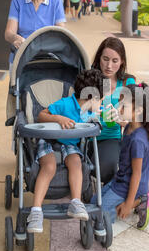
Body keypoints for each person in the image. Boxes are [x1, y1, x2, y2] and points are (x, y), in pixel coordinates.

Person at [26, 69, 107, 233]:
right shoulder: (65, 104)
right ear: (91, 98)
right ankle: (35, 211)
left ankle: (75, 202)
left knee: (76, 162)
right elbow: (42, 115)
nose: (102, 103)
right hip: (48, 140)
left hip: (69, 144)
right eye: (101, 99)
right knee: (49, 167)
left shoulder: (90, 113)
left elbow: (98, 124)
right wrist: (58, 118)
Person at [90, 82, 149, 229]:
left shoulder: (138, 141)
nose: (119, 108)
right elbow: (123, 123)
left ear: (138, 111)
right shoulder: (130, 126)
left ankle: (140, 199)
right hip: (120, 179)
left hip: (129, 184)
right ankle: (136, 199)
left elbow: (136, 174)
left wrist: (128, 204)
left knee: (101, 213)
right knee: (92, 202)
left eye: (124, 106)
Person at [89, 37, 136, 184]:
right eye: (105, 59)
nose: (109, 66)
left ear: (122, 61)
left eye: (115, 61)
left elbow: (134, 122)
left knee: (107, 168)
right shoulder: (90, 78)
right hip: (83, 136)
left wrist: (120, 120)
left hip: (109, 138)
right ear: (99, 58)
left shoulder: (128, 83)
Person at [4, 0, 65, 66]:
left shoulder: (56, 2)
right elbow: (8, 33)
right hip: (21, 57)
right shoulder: (17, 1)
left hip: (48, 59)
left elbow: (61, 34)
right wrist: (15, 38)